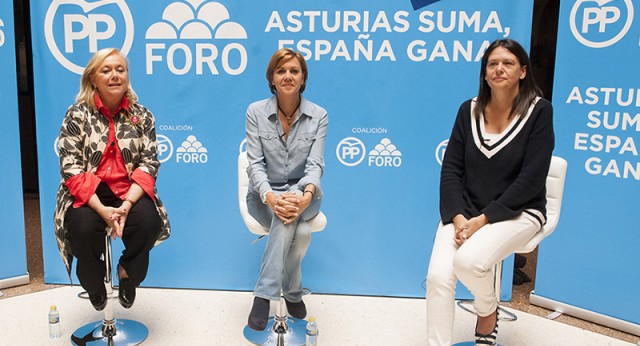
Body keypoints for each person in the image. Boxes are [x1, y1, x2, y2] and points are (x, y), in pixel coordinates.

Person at [425, 39, 554, 345]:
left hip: (520, 212)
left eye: (508, 63)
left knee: (468, 261)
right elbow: (451, 171)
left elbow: (531, 180)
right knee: (438, 278)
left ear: (522, 71)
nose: (499, 69)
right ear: (484, 74)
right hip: (465, 212)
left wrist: (482, 220)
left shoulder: (539, 111)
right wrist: (457, 217)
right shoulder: (468, 110)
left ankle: (487, 311)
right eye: (492, 64)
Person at [54, 48, 170, 311]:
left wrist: (126, 205)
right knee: (82, 229)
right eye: (106, 70)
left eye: (120, 69)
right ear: (93, 78)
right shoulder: (77, 115)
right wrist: (102, 210)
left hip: (128, 191)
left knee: (149, 223)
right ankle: (94, 284)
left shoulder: (143, 116)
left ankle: (127, 272)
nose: (115, 75)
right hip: (87, 193)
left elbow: (149, 163)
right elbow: (70, 167)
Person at [245, 48, 328, 331]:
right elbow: (254, 165)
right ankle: (292, 292)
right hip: (264, 195)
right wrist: (271, 197)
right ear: (272, 79)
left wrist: (303, 198)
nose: (288, 76)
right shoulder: (255, 112)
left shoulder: (319, 115)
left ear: (303, 78)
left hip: (305, 195)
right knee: (301, 232)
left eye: (294, 71)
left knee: (288, 216)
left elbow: (315, 166)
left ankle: (263, 295)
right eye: (281, 71)